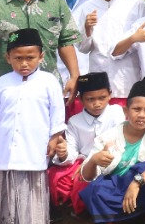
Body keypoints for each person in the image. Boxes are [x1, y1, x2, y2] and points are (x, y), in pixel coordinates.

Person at [0, 29, 66, 224]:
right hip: (6, 145)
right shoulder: (1, 83)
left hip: (34, 143)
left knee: (31, 185)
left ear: (41, 56)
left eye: (30, 57)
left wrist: (54, 139)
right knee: (5, 183)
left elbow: (57, 116)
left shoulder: (49, 82)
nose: (24, 63)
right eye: (18, 58)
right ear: (8, 58)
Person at [77, 78, 145, 224]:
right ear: (126, 111)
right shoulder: (109, 136)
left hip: (139, 186)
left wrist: (136, 182)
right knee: (96, 188)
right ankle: (113, 221)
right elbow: (87, 176)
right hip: (118, 189)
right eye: (136, 109)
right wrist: (94, 160)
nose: (142, 115)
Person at [75, 0, 145, 105]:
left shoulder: (136, 5)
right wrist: (87, 29)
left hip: (127, 77)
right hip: (98, 76)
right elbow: (83, 48)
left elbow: (141, 41)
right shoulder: (87, 7)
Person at [49, 72, 123, 213]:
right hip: (82, 165)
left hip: (112, 161)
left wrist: (91, 162)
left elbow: (117, 143)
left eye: (102, 98)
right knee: (57, 179)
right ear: (81, 100)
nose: (97, 104)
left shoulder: (116, 112)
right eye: (90, 99)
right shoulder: (74, 121)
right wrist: (64, 153)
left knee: (84, 184)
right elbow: (72, 152)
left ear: (110, 94)